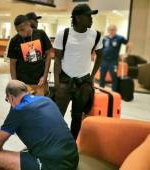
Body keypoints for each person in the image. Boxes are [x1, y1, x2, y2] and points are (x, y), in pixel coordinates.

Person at [0, 80, 79, 170]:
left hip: (56, 165)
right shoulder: (47, 100)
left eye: (7, 100)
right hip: (73, 157)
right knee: (25, 151)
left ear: (10, 97)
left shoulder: (18, 110)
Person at [53, 4, 103, 139]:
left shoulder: (96, 35)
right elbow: (57, 59)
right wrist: (56, 83)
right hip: (64, 81)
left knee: (77, 116)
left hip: (84, 83)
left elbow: (100, 54)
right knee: (57, 115)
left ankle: (72, 142)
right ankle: (55, 141)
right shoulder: (63, 34)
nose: (91, 19)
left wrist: (91, 76)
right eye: (89, 16)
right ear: (78, 18)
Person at [7, 15, 52, 96]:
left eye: (22, 29)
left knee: (38, 107)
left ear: (28, 24)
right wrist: (15, 82)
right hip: (23, 84)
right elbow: (12, 63)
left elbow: (49, 54)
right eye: (18, 31)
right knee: (23, 107)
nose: (20, 33)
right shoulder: (15, 40)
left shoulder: (41, 34)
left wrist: (45, 76)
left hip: (39, 83)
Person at [99, 24, 132, 91]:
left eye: (113, 29)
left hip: (113, 61)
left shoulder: (120, 38)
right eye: (110, 29)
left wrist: (127, 54)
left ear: (116, 30)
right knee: (102, 77)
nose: (111, 31)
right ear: (108, 30)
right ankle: (101, 91)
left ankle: (114, 93)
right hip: (104, 61)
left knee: (114, 78)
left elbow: (130, 45)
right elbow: (101, 48)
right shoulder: (105, 38)